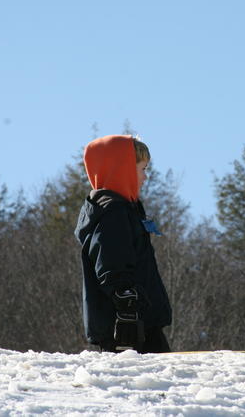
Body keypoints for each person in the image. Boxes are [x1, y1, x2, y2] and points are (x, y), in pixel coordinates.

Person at [74, 135, 172, 353]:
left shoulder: (124, 210)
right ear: (123, 169)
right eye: (142, 169)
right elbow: (111, 265)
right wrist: (127, 307)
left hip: (138, 323)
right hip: (128, 326)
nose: (146, 177)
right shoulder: (113, 213)